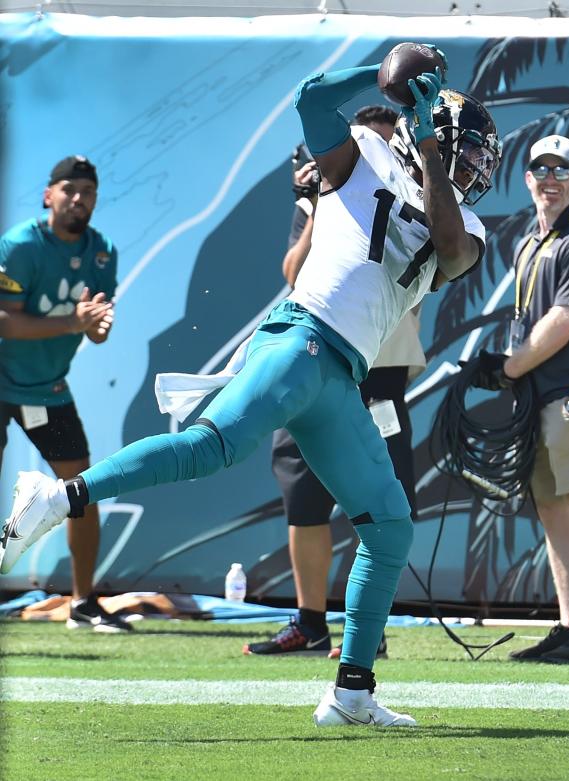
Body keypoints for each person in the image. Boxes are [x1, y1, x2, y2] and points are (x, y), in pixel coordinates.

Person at [0, 49, 502, 726]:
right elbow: (309, 101)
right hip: (301, 338)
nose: (472, 172)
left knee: (388, 525)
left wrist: (430, 149)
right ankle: (57, 495)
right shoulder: (363, 154)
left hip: (341, 375)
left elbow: (446, 247)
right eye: (463, 155)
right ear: (428, 134)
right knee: (211, 447)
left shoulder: (466, 224)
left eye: (474, 163)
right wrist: (382, 77)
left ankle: (352, 689)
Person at [245, 108, 426, 659]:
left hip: (378, 367)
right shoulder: (326, 197)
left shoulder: (420, 203)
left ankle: (367, 626)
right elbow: (294, 272)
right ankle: (310, 621)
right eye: (368, 146)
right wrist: (326, 198)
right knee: (303, 498)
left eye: (389, 145)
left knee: (375, 501)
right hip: (315, 356)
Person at [470, 135, 569, 664]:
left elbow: (564, 320)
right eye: (541, 169)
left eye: (563, 169)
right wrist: (509, 370)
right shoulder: (530, 242)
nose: (551, 178)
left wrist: (506, 367)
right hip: (536, 395)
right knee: (554, 512)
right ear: (528, 179)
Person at [0, 156, 129, 633]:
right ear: (48, 195)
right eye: (69, 189)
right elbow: (4, 320)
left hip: (47, 389)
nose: (79, 199)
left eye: (88, 192)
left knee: (81, 492)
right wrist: (73, 322)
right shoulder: (20, 245)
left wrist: (96, 326)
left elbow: (96, 330)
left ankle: (83, 602)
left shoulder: (102, 252)